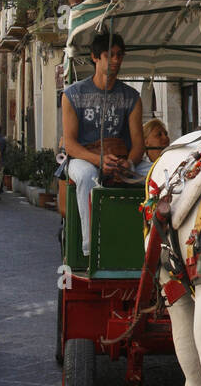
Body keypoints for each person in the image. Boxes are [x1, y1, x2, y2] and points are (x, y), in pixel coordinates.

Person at [62, 32, 145, 256]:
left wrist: (128, 162)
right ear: (95, 57)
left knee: (160, 175)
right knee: (88, 176)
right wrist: (98, 160)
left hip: (119, 159)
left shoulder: (132, 97)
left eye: (120, 55)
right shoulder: (73, 94)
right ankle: (92, 248)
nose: (116, 60)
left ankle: (155, 243)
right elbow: (69, 144)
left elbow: (139, 144)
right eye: (110, 55)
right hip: (83, 158)